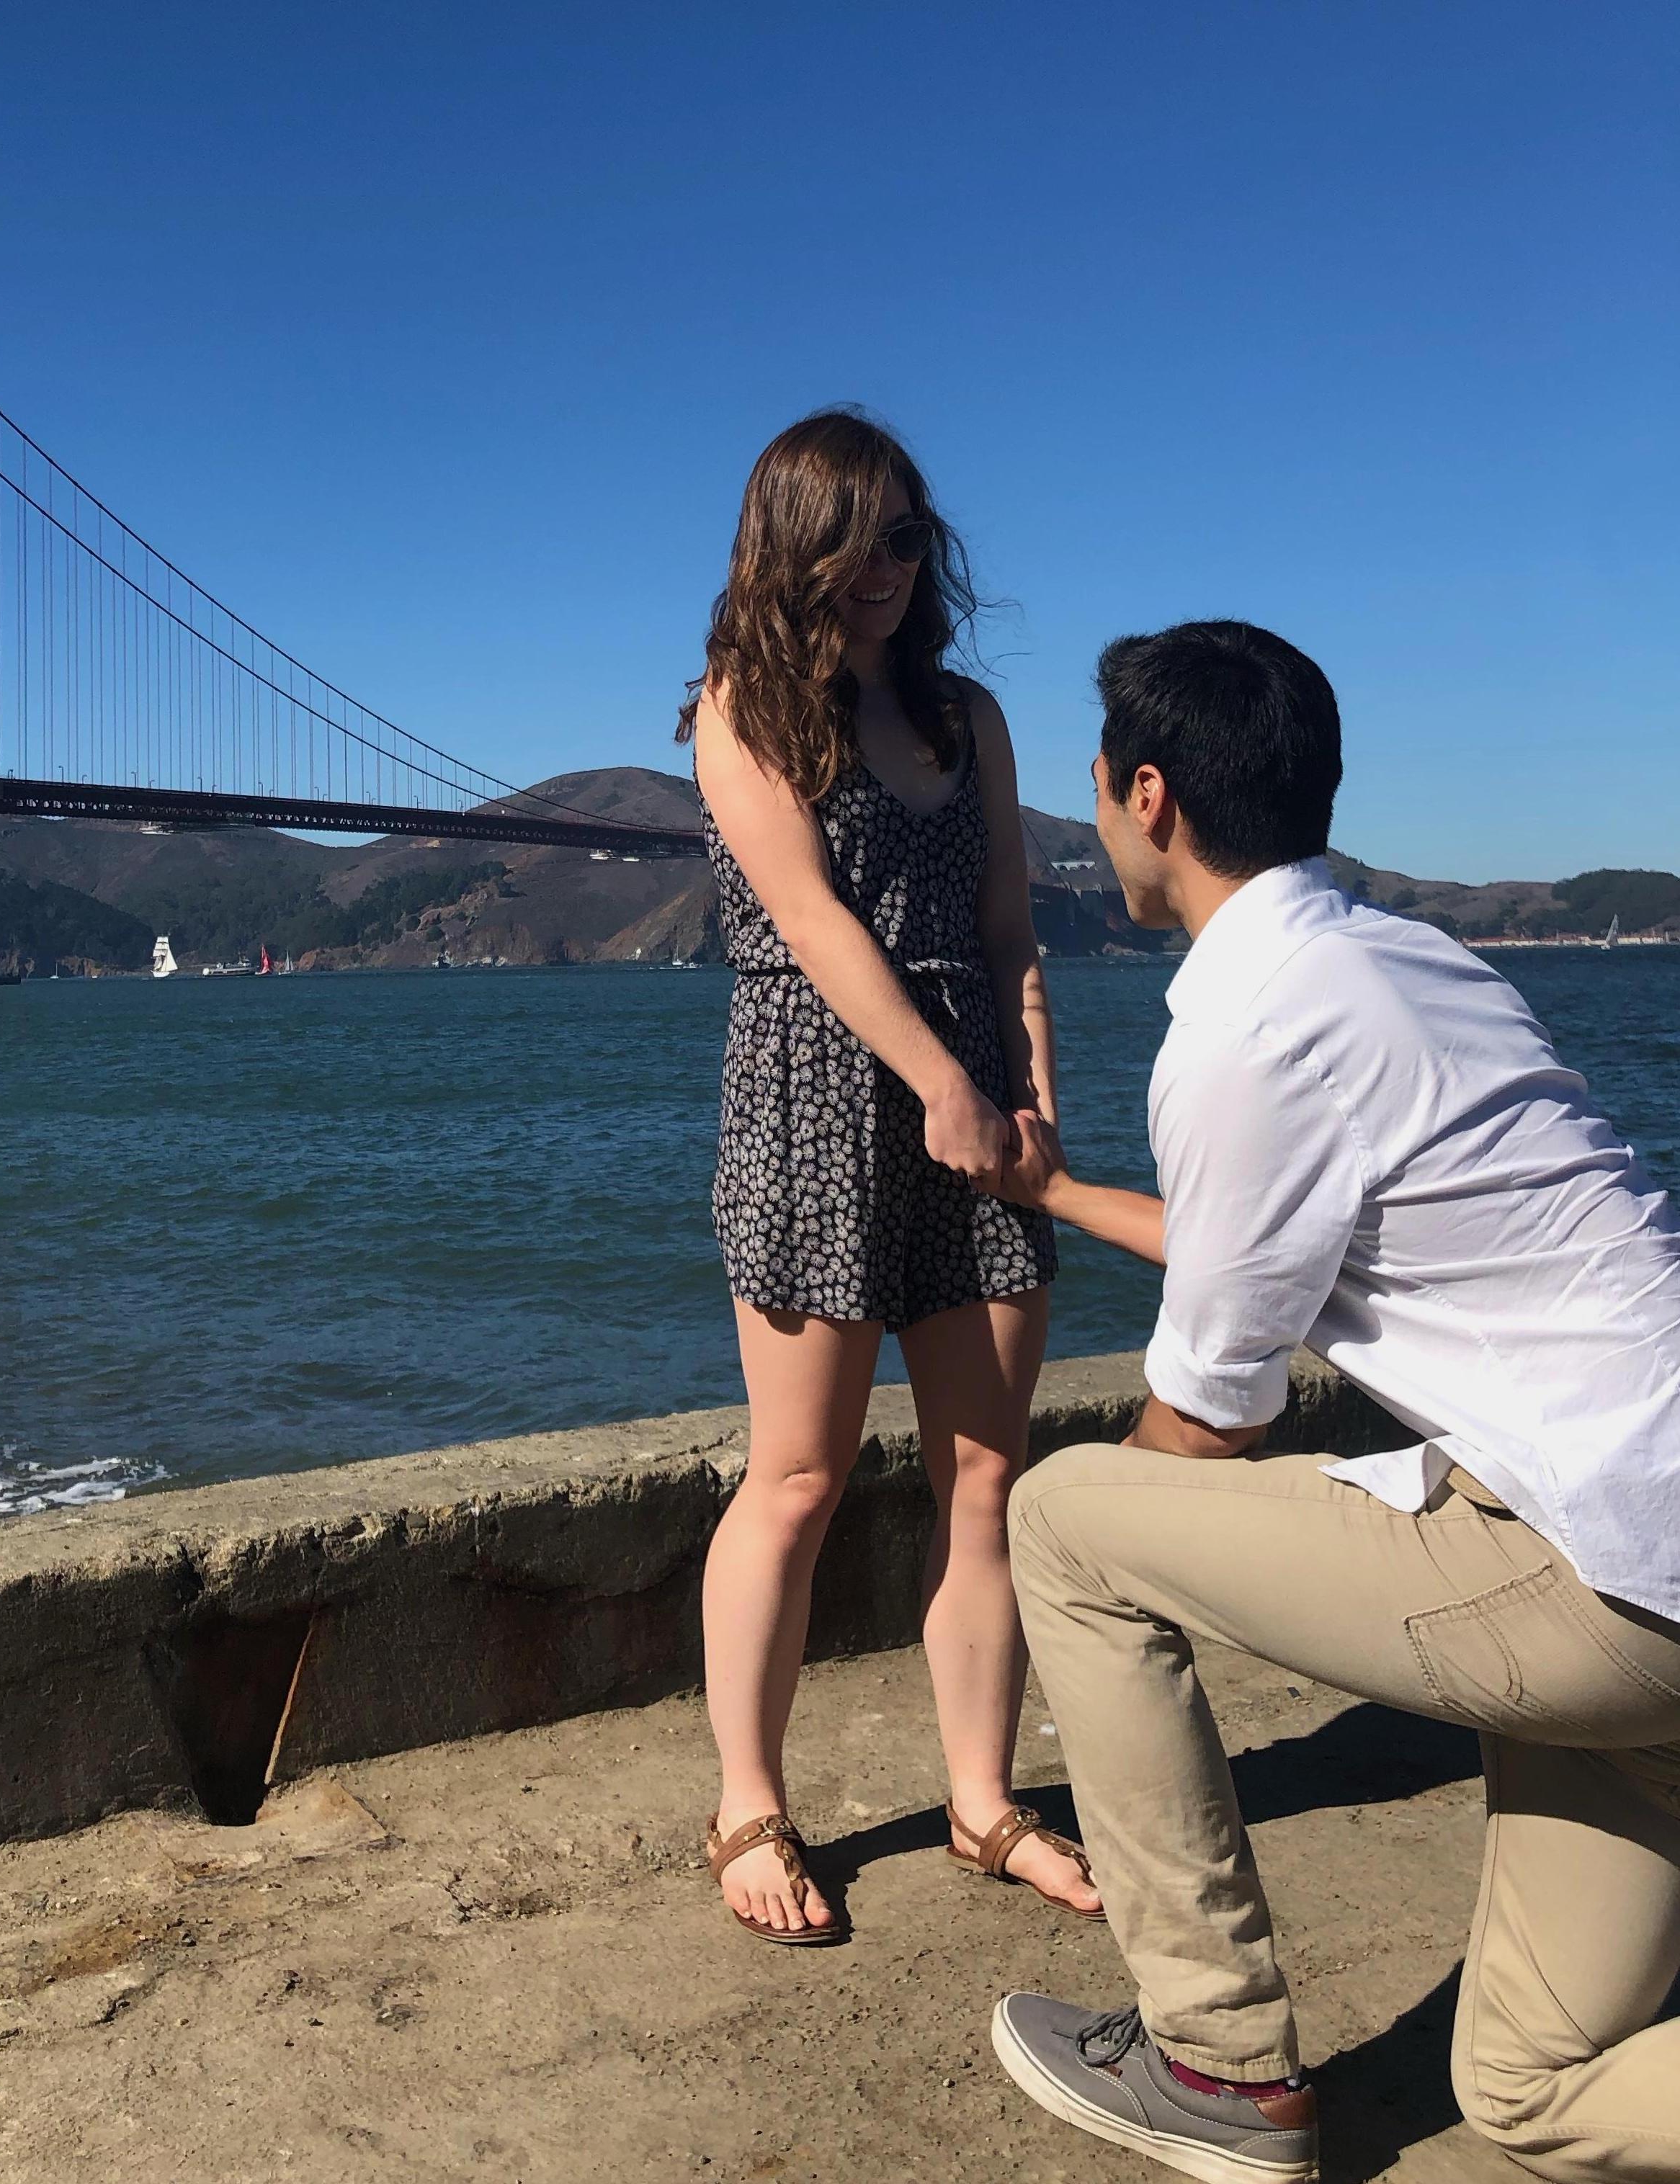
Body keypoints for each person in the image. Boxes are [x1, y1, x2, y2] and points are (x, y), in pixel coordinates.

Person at [983, 619, 1680, 2182]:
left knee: (1068, 1522)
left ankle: (1217, 2070)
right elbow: (1274, 1242)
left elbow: (1207, 1419)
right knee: (1529, 2092)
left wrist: (1118, 1571)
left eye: (1100, 786)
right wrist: (1066, 1191)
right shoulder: (1406, 961)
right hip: (1651, 1548)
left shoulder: (1239, 1021)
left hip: (1607, 1571)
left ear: (1141, 793)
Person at [682, 408, 1102, 1945]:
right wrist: (940, 1084)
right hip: (819, 1099)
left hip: (976, 1109)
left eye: (907, 537)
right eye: (851, 538)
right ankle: (747, 1799)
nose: (882, 568)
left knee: (986, 1473)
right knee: (794, 1478)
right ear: (786, 545)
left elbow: (1005, 931)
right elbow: (812, 924)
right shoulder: (741, 707)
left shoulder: (967, 718)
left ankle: (983, 1806)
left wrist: (1032, 1092)